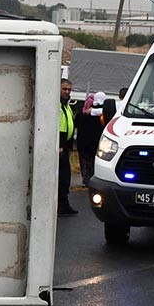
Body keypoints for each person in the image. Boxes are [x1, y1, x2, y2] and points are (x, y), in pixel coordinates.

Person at [75, 88, 106, 187]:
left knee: (85, 161)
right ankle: (94, 179)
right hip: (97, 142)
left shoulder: (85, 110)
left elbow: (77, 122)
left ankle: (86, 179)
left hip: (83, 141)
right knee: (94, 161)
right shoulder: (104, 111)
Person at [57, 77, 78, 216]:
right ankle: (61, 205)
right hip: (59, 146)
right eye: (64, 89)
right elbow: (57, 127)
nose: (67, 92)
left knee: (65, 178)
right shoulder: (57, 105)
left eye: (69, 89)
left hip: (66, 147)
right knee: (61, 179)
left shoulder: (67, 106)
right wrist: (59, 145)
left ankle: (63, 204)